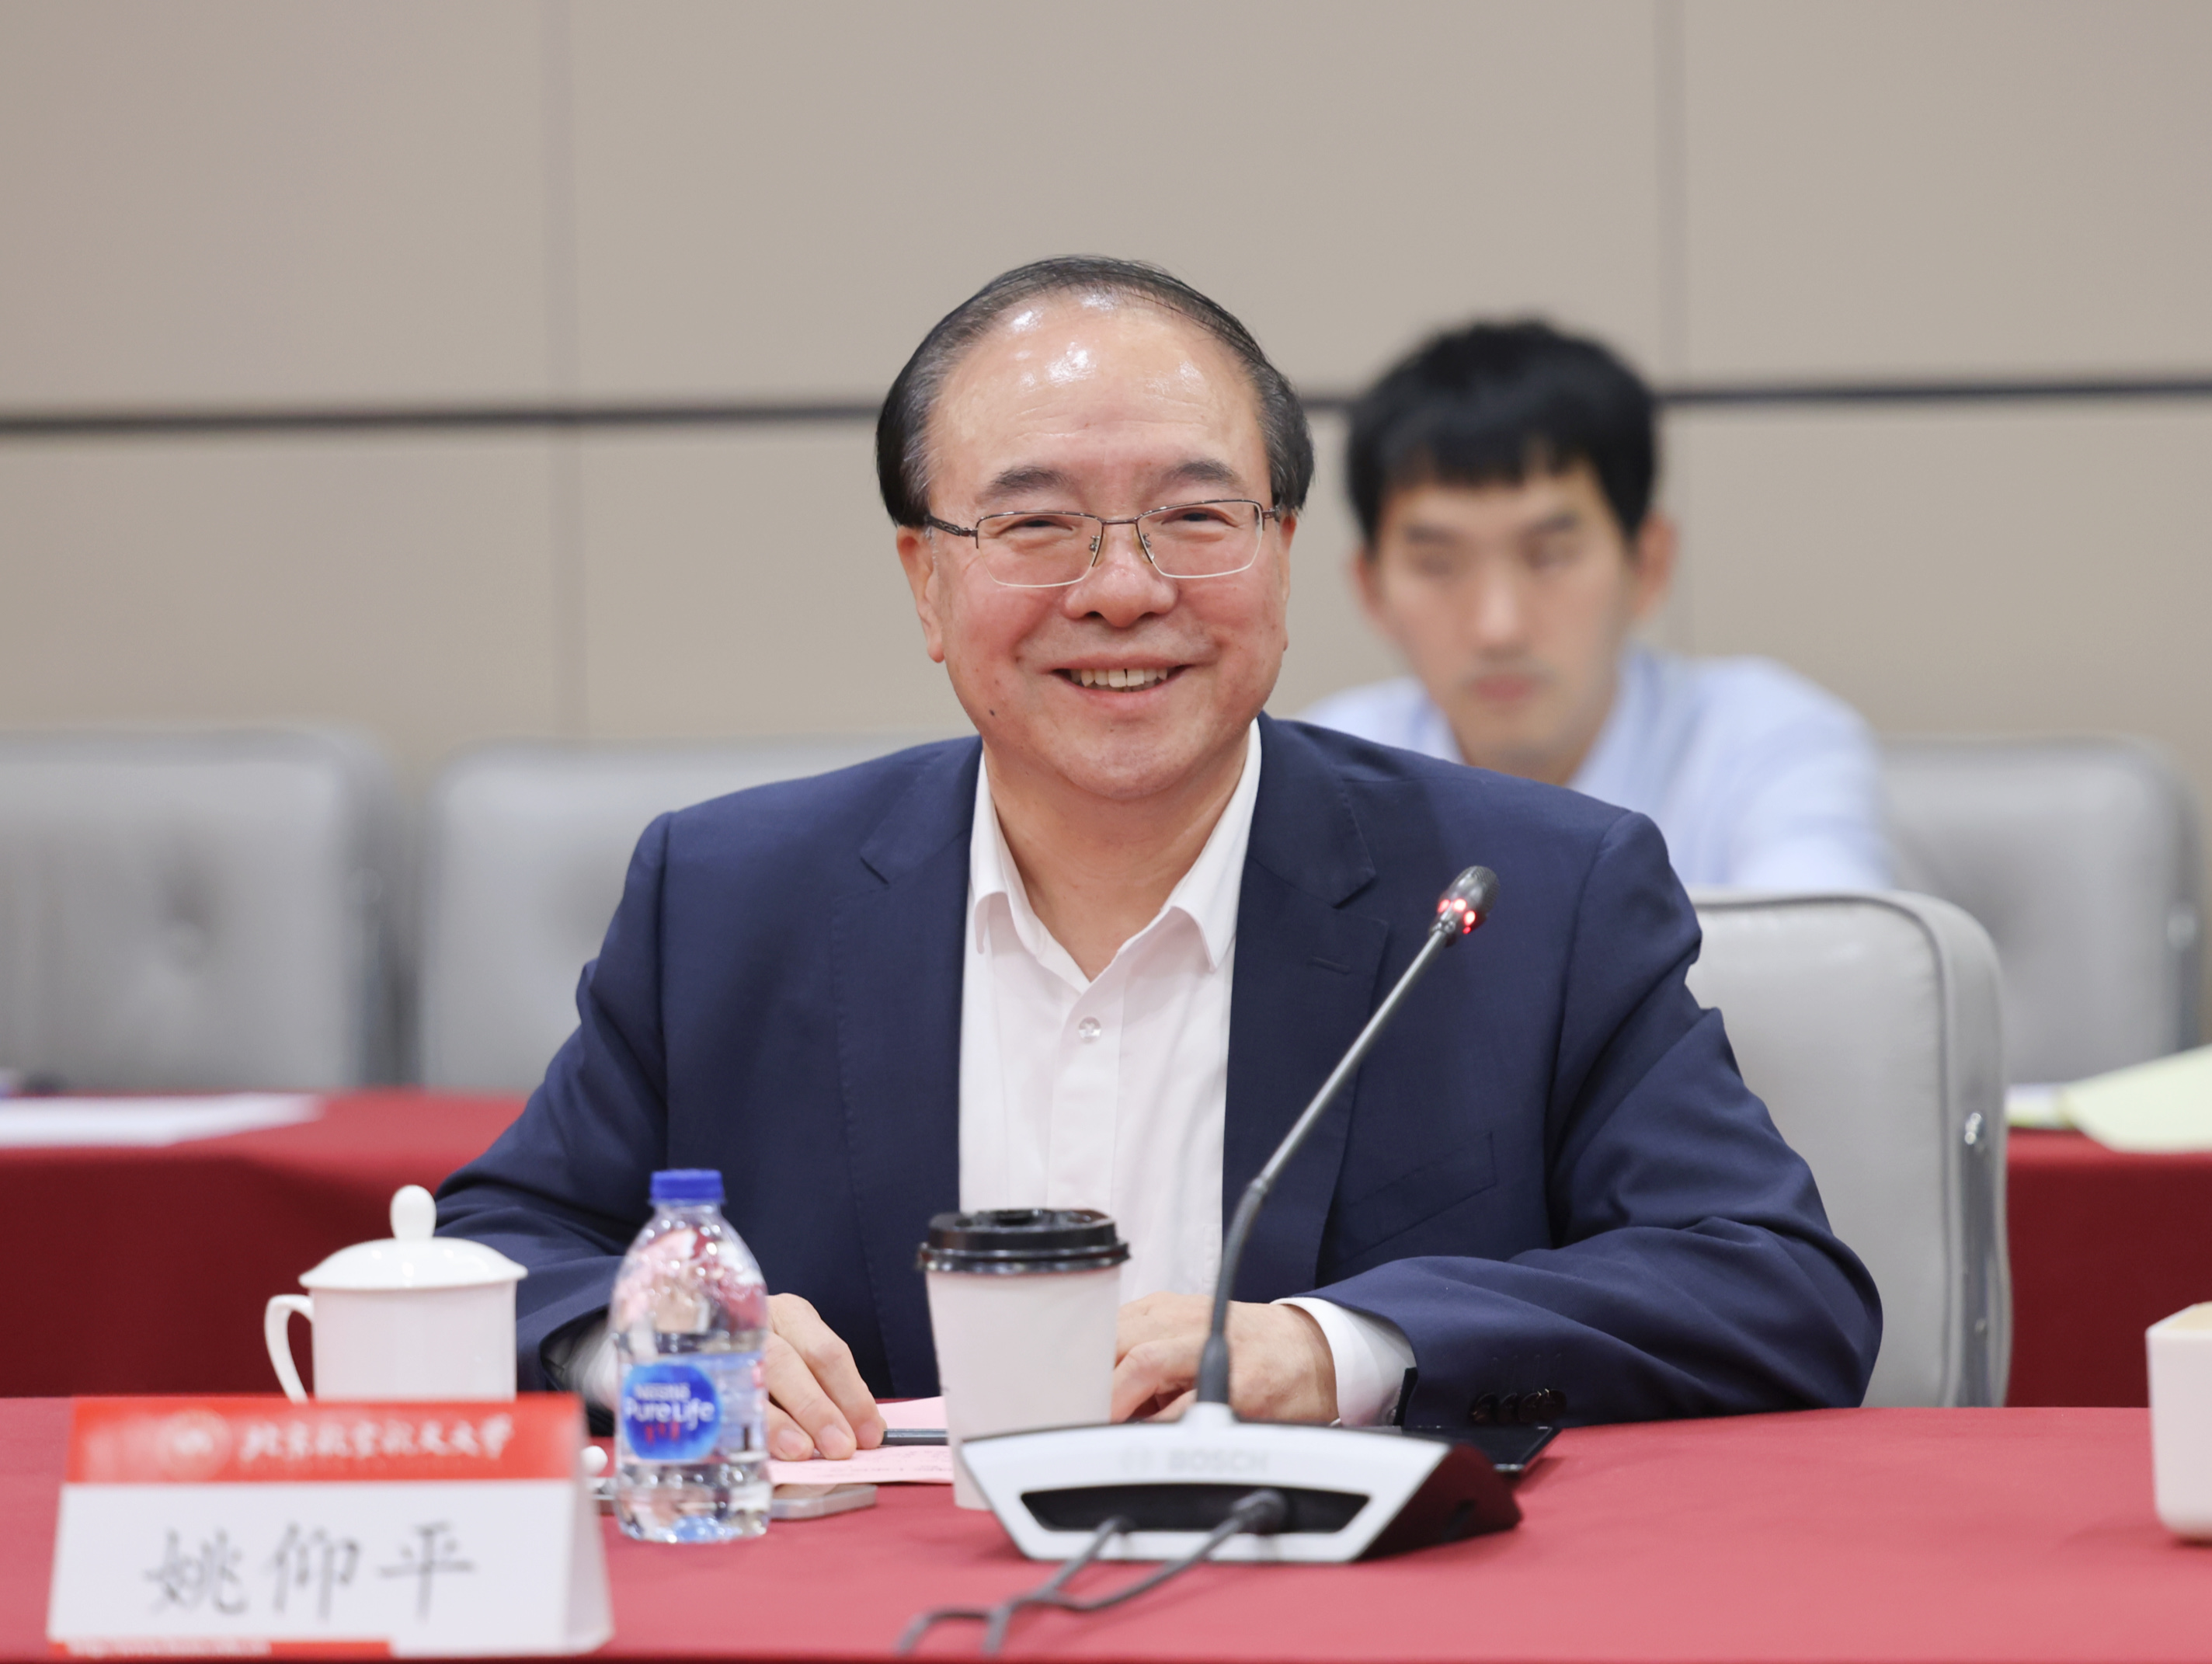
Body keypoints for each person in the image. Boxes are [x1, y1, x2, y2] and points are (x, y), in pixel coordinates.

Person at [437, 259, 1878, 1465]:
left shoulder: (1528, 896)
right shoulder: (731, 897)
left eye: (1194, 518)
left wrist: (1343, 1348)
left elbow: (1771, 1285)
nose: (1122, 590)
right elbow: (490, 1248)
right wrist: (636, 1330)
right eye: (1036, 524)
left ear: (1283, 554)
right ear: (925, 581)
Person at [1302, 322, 1890, 889]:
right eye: (1437, 564)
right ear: (1372, 589)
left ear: (1648, 563)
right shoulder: (1321, 780)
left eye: (1549, 556)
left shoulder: (1761, 745)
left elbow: (1827, 947)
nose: (1498, 628)